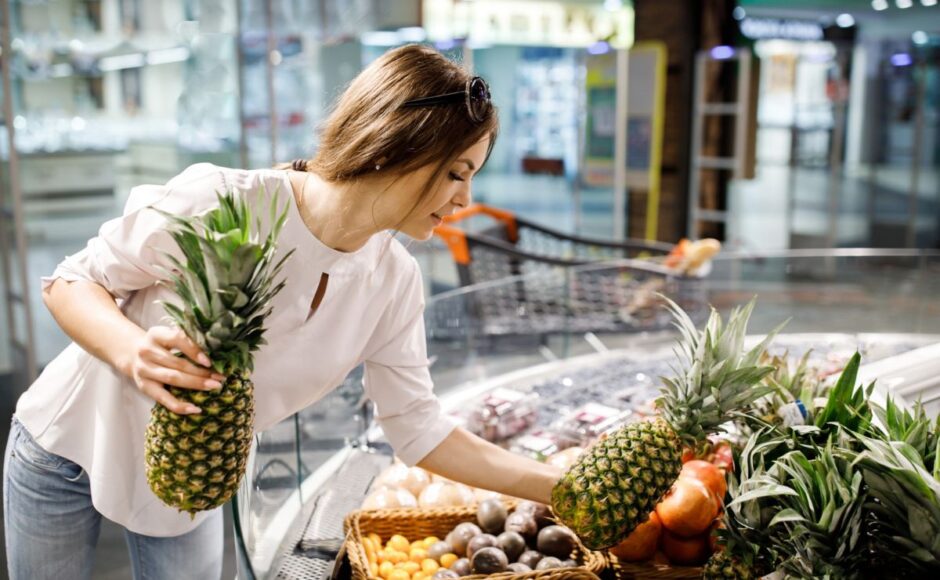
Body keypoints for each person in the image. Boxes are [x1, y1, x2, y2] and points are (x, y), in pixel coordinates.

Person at [3, 44, 563, 580]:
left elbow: (419, 429)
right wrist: (132, 353)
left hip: (188, 482)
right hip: (65, 451)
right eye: (457, 173)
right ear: (397, 145)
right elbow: (71, 281)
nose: (465, 200)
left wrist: (560, 486)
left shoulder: (394, 280)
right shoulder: (225, 202)